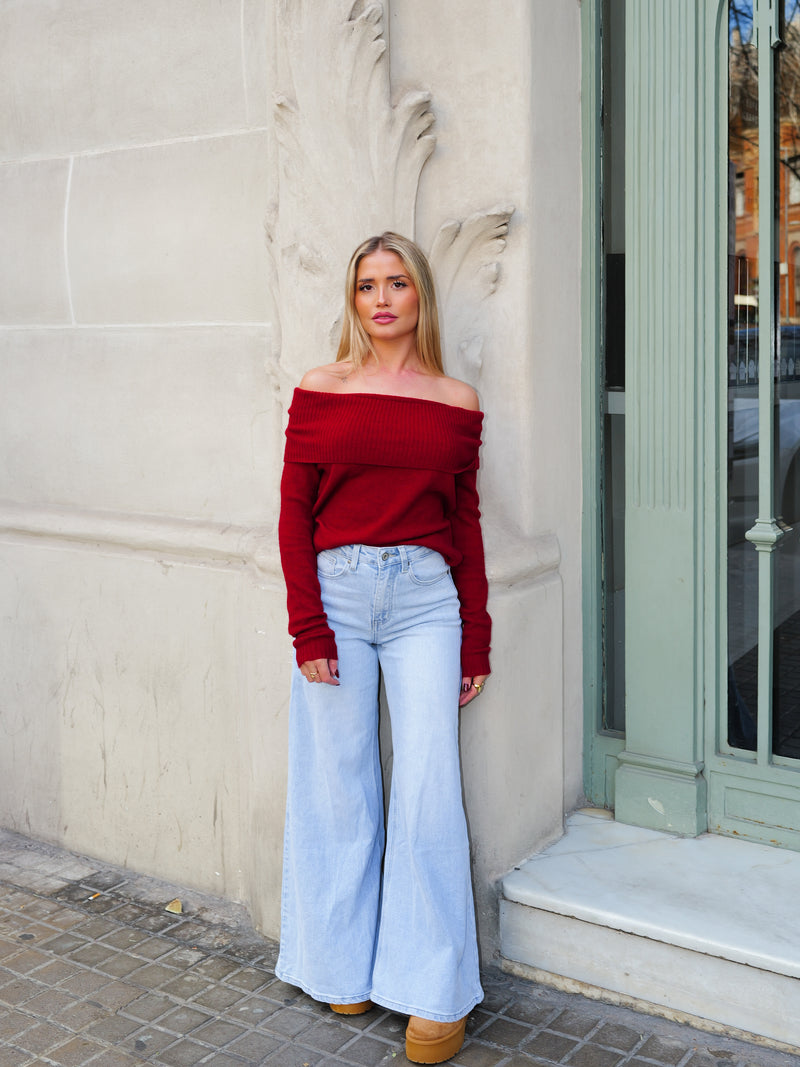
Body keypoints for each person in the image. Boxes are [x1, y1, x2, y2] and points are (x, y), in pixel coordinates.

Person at [276, 231, 491, 1065]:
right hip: (336, 593)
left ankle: (434, 988)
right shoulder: (320, 389)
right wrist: (308, 626)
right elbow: (295, 515)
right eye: (367, 284)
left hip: (427, 604)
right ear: (353, 299)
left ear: (420, 296)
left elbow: (465, 529)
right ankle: (338, 960)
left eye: (397, 282)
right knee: (340, 780)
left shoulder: (457, 399)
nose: (382, 298)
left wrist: (474, 633)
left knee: (431, 786)